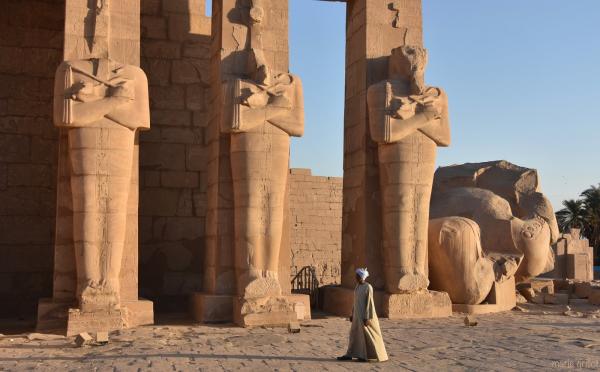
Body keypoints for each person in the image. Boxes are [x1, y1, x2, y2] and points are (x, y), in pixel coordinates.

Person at [337, 268, 389, 362]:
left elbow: (370, 303)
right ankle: (350, 354)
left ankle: (365, 356)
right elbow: (355, 301)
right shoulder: (357, 286)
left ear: (361, 277)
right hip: (357, 315)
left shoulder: (368, 287)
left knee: (366, 335)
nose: (355, 277)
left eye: (357, 276)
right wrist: (352, 313)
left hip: (364, 315)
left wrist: (367, 317)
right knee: (354, 335)